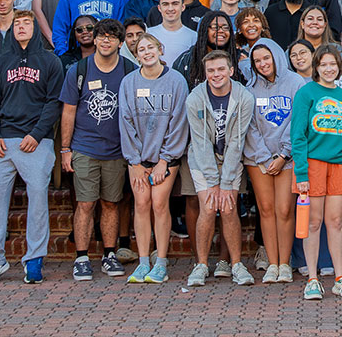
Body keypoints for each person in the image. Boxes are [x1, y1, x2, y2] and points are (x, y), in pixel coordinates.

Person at [0, 11, 63, 285]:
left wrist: (37, 134)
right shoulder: (2, 62)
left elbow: (54, 103)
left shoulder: (50, 61)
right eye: (17, 24)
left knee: (37, 200)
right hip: (2, 142)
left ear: (35, 28)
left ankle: (34, 259)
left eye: (27, 23)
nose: (21, 27)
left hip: (36, 142)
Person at [60, 17, 131, 281]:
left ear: (120, 43)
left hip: (116, 151)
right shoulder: (79, 70)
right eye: (101, 36)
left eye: (111, 37)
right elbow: (68, 111)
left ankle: (109, 254)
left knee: (111, 204)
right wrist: (65, 149)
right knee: (85, 204)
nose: (104, 40)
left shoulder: (128, 70)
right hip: (84, 148)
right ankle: (81, 257)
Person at [117, 31, 190, 284]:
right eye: (141, 50)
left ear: (160, 50)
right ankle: (143, 261)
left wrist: (164, 160)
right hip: (138, 158)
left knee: (159, 204)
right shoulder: (129, 82)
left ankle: (161, 262)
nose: (147, 53)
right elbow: (125, 122)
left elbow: (179, 121)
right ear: (136, 56)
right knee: (141, 204)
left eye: (151, 48)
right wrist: (134, 162)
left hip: (166, 157)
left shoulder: (176, 81)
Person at [292, 43, 342, 300]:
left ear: (339, 66)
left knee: (334, 222)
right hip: (312, 165)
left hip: (340, 165)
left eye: (333, 64)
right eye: (324, 65)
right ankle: (312, 278)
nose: (329, 68)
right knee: (313, 222)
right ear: (316, 67)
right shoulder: (306, 93)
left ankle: (340, 278)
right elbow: (297, 135)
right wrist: (301, 173)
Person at [184, 47, 256, 287]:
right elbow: (200, 142)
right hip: (203, 158)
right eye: (211, 70)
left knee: (228, 207)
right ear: (205, 73)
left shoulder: (244, 97)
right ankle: (201, 265)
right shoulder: (195, 98)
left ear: (231, 71)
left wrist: (225, 184)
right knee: (207, 206)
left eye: (221, 69)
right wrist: (214, 183)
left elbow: (237, 141)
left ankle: (236, 264)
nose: (216, 74)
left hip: (231, 157)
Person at [243, 42, 300, 283]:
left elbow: (298, 120)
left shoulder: (295, 82)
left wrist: (283, 155)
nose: (263, 64)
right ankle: (273, 264)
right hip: (259, 158)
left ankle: (285, 264)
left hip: (287, 157)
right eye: (257, 61)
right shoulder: (250, 88)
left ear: (276, 56)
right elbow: (250, 126)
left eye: (266, 58)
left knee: (284, 210)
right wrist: (266, 158)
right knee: (265, 210)